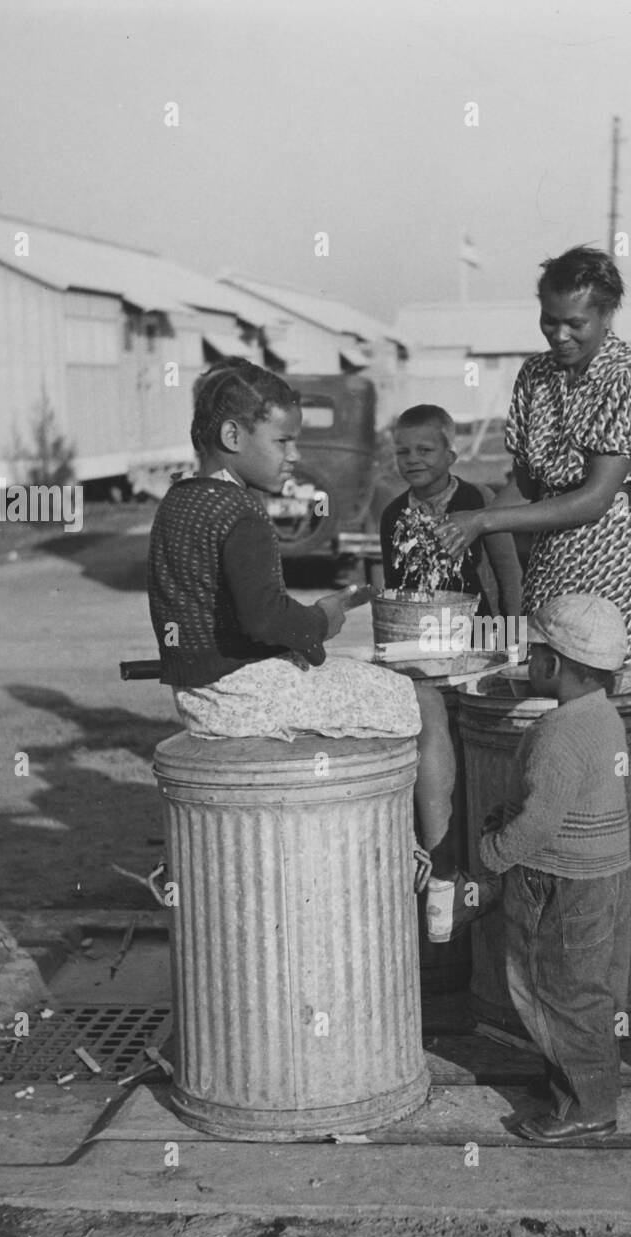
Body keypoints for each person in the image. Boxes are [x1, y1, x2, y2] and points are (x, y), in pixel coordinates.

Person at [148, 359, 477, 930]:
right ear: (233, 436)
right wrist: (321, 620)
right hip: (246, 695)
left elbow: (221, 614)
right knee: (425, 703)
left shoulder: (179, 501)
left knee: (368, 681)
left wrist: (302, 628)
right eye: (283, 441)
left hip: (199, 692)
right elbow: (264, 619)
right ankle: (443, 878)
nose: (295, 455)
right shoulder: (241, 511)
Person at [435, 246, 631, 667]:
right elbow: (526, 485)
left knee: (602, 679)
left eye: (575, 324)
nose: (559, 335)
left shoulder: (626, 377)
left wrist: (483, 521)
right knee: (544, 674)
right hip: (549, 559)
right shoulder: (535, 375)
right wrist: (452, 530)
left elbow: (595, 500)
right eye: (549, 320)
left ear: (606, 315)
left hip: (610, 557)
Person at [478, 595, 631, 1143]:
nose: (527, 662)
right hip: (601, 874)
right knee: (585, 988)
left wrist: (493, 852)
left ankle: (589, 1107)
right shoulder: (604, 717)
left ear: (553, 663)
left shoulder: (557, 733)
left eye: (533, 653)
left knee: (550, 987)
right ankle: (577, 1083)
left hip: (557, 880)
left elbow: (540, 822)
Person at [380, 403, 522, 621]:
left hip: (480, 629)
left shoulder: (480, 500)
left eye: (425, 450)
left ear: (451, 456)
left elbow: (509, 576)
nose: (412, 459)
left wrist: (513, 635)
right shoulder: (392, 515)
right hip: (419, 631)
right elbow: (393, 588)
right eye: (403, 452)